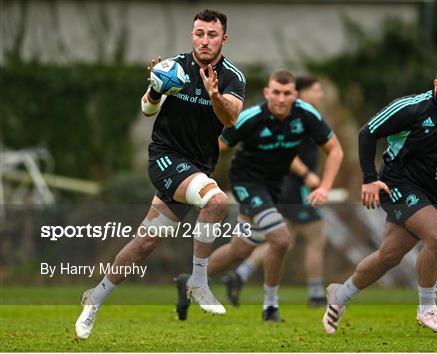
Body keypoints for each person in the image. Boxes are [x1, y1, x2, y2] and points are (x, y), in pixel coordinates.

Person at [75, 9, 245, 339]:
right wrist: (156, 89)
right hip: (166, 158)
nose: (205, 40)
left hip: (196, 167)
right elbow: (147, 109)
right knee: (216, 201)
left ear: (223, 39)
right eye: (199, 33)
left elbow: (230, 120)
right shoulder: (174, 67)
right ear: (192, 35)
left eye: (212, 34)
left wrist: (213, 95)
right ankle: (198, 281)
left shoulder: (232, 77)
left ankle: (94, 298)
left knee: (145, 242)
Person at [322, 61, 437, 334]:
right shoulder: (411, 107)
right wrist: (369, 180)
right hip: (396, 184)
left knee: (389, 256)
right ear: (435, 85)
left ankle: (339, 296)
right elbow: (367, 133)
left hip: (429, 193)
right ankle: (427, 308)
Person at [175, 69, 343, 322]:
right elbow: (215, 147)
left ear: (295, 95)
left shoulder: (306, 115)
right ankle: (270, 306)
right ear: (267, 93)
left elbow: (335, 150)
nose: (281, 99)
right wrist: (201, 185)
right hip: (247, 184)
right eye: (276, 92)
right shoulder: (251, 118)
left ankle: (190, 282)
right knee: (281, 238)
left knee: (240, 249)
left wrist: (324, 187)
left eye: (287, 94)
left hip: (273, 188)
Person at [221, 76, 329, 307]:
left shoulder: (307, 115)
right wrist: (306, 175)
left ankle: (239, 273)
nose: (320, 94)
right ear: (299, 93)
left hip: (277, 187)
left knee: (265, 241)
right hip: (291, 187)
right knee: (310, 237)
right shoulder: (285, 116)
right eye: (316, 89)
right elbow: (286, 151)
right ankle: (313, 294)